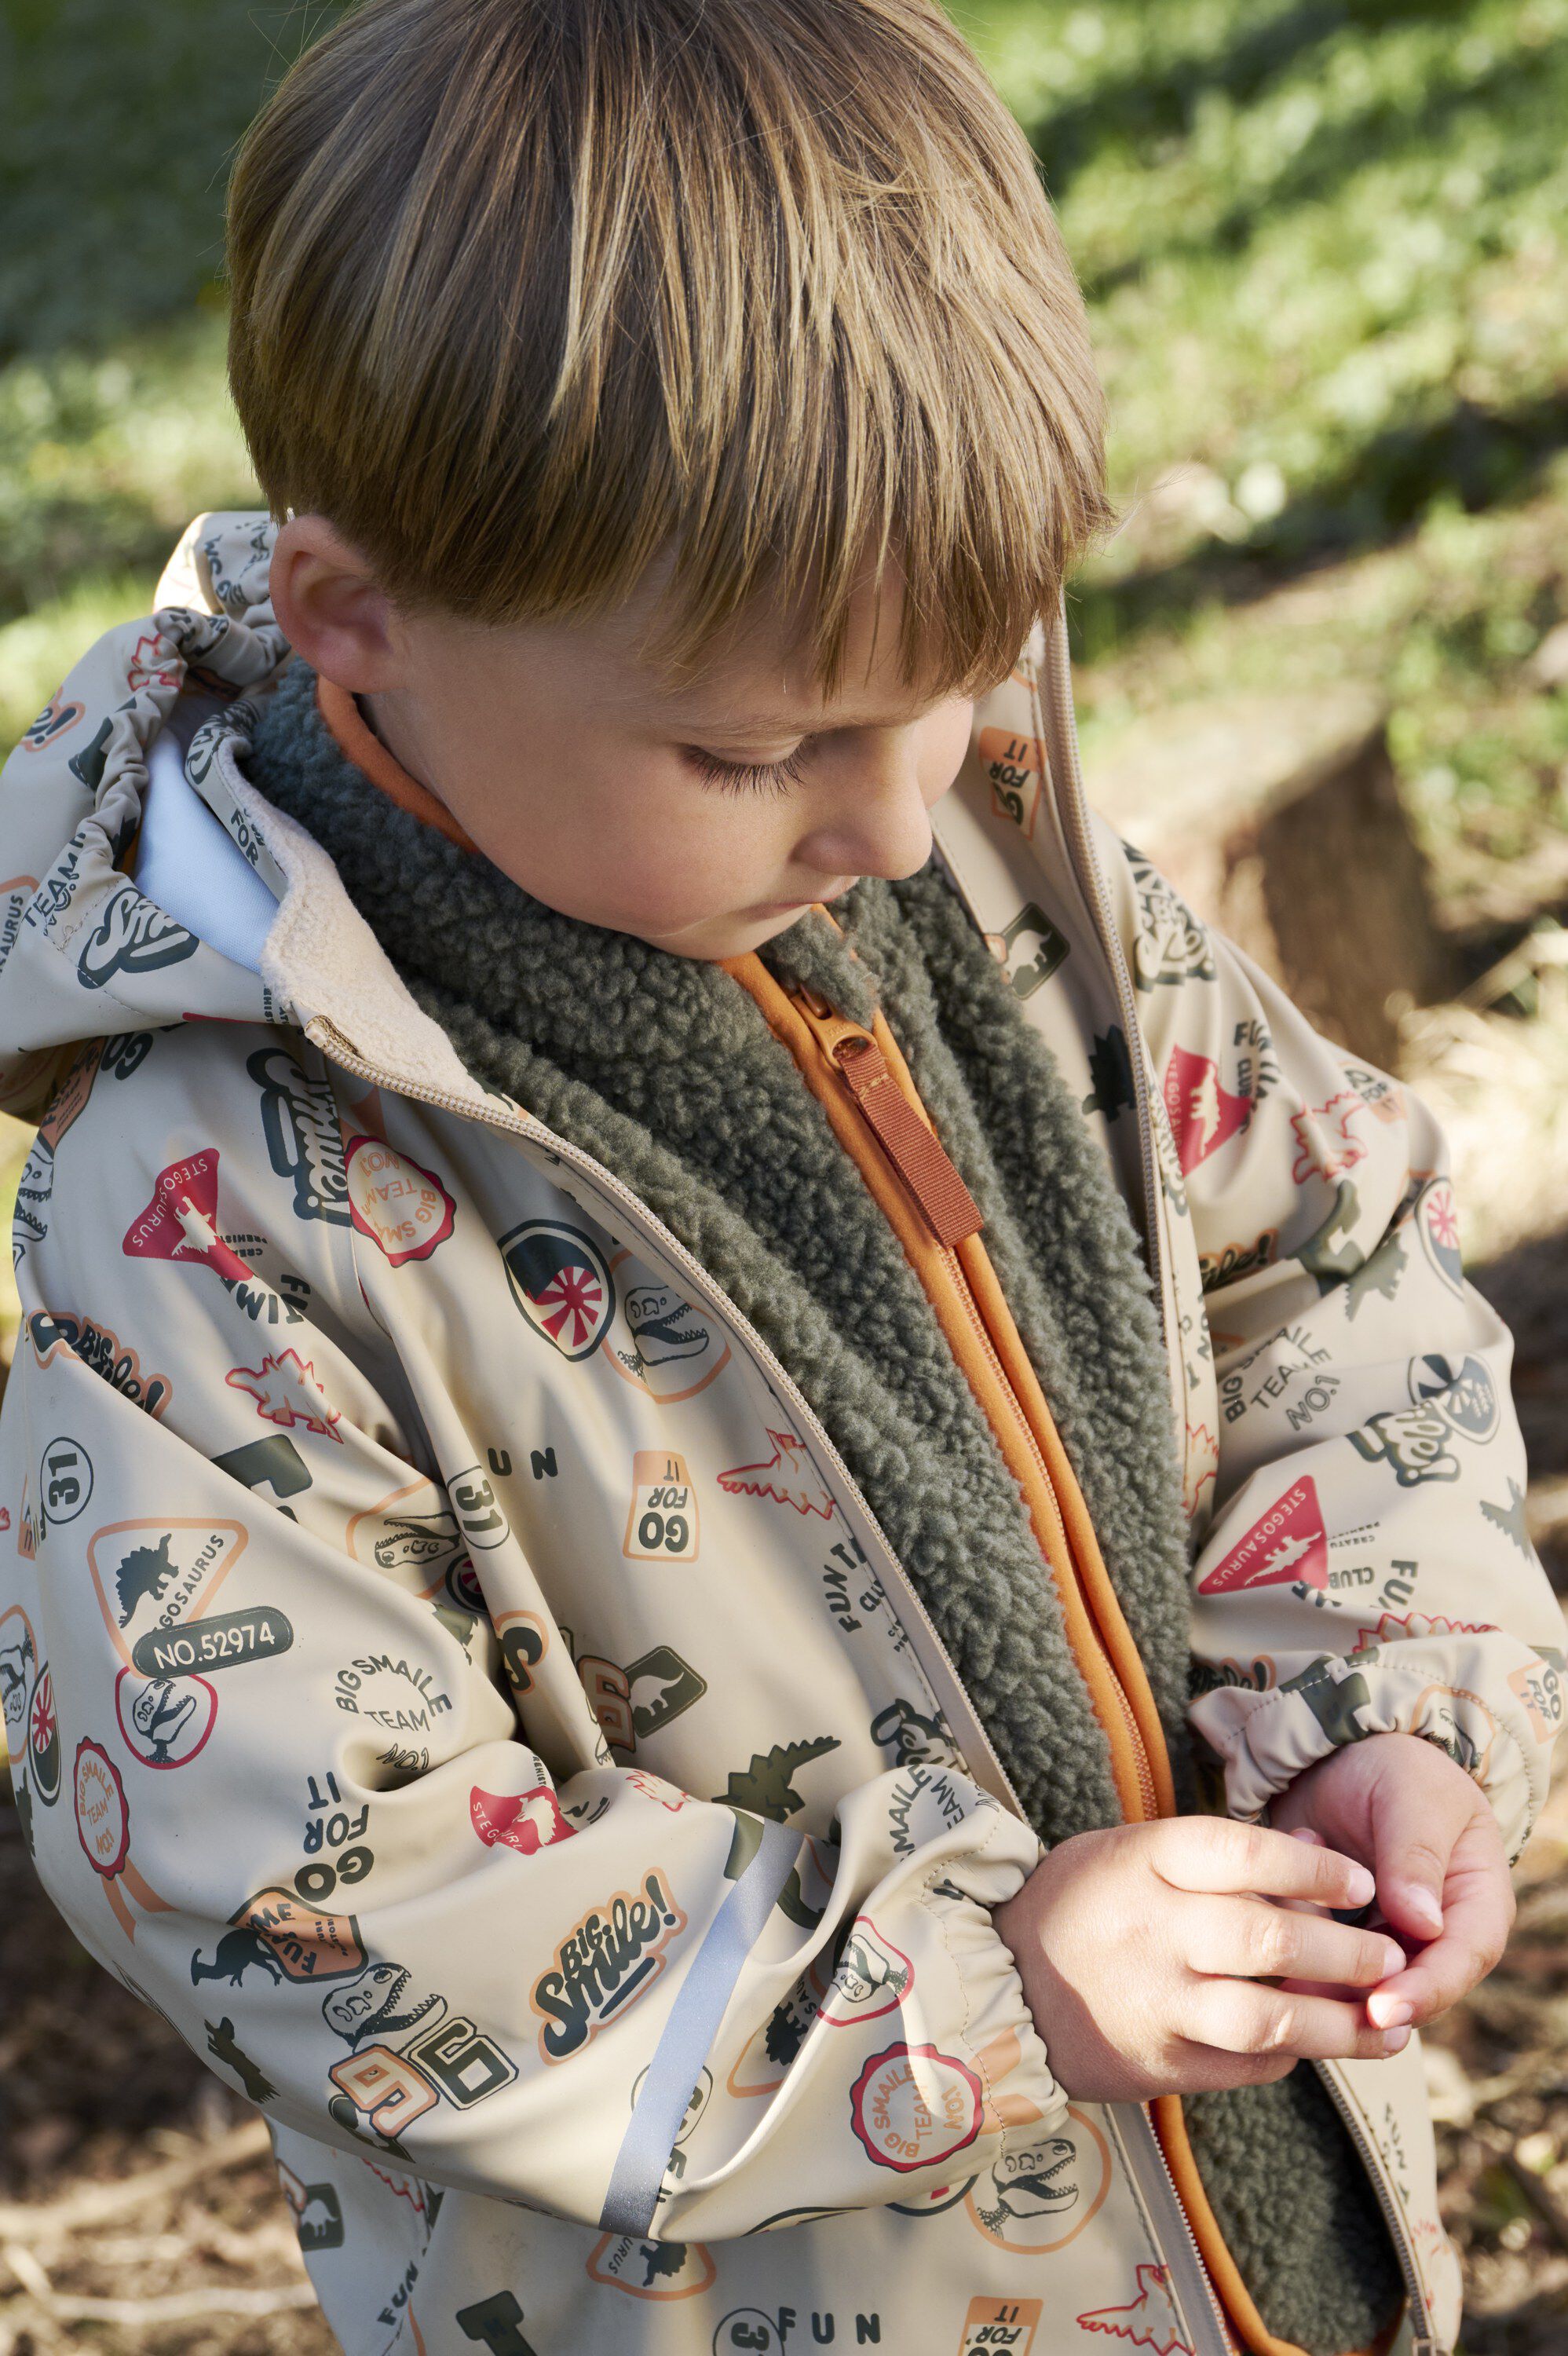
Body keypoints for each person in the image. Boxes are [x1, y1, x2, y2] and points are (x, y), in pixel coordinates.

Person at [0, 5, 1559, 2354]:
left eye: (958, 680)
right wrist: (984, 1991)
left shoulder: (986, 879)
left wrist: (1386, 1712)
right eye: (758, 747)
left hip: (1267, 2267)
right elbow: (307, 1889)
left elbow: (1327, 1273)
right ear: (353, 622)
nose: (896, 816)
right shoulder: (217, 1203)